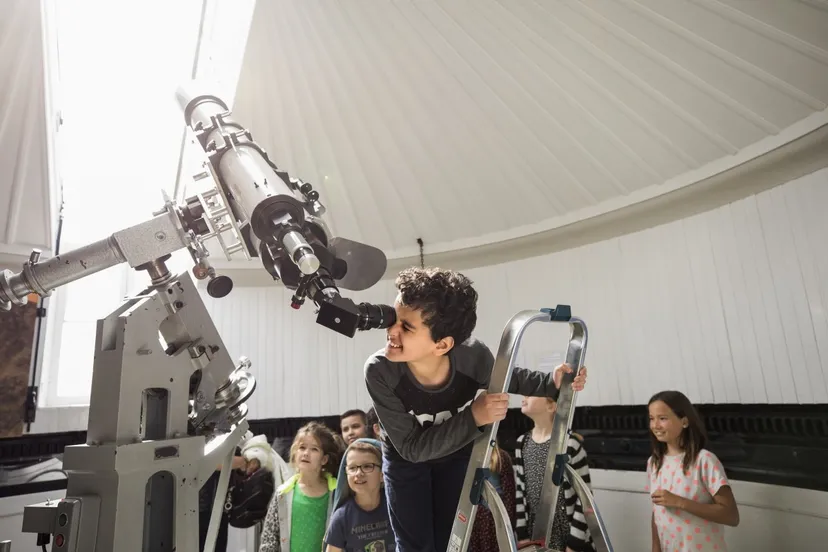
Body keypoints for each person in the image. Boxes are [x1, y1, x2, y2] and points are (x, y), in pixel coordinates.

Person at [365, 266, 587, 552]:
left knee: (453, 540)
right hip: (405, 462)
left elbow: (510, 377)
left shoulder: (472, 356)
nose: (391, 331)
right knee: (414, 545)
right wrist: (474, 417)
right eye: (393, 319)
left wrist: (552, 382)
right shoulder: (380, 371)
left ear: (442, 344)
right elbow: (412, 448)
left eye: (406, 327)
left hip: (455, 453)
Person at [646, 391, 740, 552]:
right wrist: (655, 549)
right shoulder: (653, 463)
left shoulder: (705, 460)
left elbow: (731, 516)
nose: (655, 425)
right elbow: (658, 513)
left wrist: (680, 502)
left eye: (662, 418)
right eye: (651, 418)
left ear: (684, 421)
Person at [514, 396, 594, 552]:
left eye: (532, 394)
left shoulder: (570, 444)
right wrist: (522, 535)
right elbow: (520, 491)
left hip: (569, 537)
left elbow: (585, 498)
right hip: (536, 536)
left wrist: (574, 543)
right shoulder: (522, 443)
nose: (524, 397)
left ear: (551, 406)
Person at [259, 422, 343, 552]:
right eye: (302, 447)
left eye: (314, 449)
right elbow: (269, 540)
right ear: (294, 452)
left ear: (324, 459)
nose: (306, 453)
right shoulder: (282, 494)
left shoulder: (337, 493)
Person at [326, 439, 396, 551]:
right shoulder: (342, 517)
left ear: (382, 474)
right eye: (352, 468)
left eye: (367, 466)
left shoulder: (396, 508)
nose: (358, 473)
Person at [468, 443, 516, 552]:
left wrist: (508, 527)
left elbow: (509, 496)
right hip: (475, 519)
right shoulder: (469, 457)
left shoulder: (501, 457)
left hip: (494, 519)